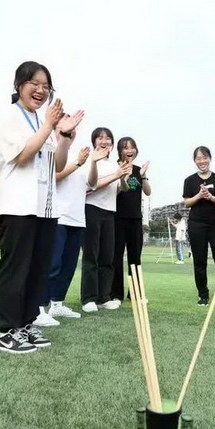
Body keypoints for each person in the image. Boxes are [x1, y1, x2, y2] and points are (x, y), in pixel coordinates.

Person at [0, 61, 83, 353]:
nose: (41, 91)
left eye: (46, 86)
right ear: (19, 85)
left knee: (37, 270)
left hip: (45, 208)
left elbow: (57, 165)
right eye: (35, 84)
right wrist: (48, 126)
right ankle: (7, 331)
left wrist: (64, 139)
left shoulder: (39, 122)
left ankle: (26, 323)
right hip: (17, 207)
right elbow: (21, 157)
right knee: (16, 270)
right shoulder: (9, 116)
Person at [34, 144, 110, 327]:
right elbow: (53, 177)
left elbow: (92, 184)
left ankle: (57, 304)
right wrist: (78, 162)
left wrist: (92, 162)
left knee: (68, 266)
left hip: (77, 219)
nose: (72, 133)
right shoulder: (54, 151)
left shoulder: (82, 154)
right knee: (52, 264)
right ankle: (38, 309)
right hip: (57, 216)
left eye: (73, 131)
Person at [81, 127, 132, 312]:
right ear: (94, 141)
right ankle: (88, 298)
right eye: (100, 138)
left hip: (110, 212)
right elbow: (92, 185)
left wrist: (123, 177)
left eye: (108, 138)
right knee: (91, 256)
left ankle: (104, 297)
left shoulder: (114, 165)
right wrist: (115, 175)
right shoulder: (89, 160)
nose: (104, 141)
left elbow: (120, 189)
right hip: (91, 209)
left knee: (107, 257)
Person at [182, 146, 215, 306]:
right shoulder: (189, 180)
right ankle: (203, 294)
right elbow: (187, 202)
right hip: (197, 224)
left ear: (210, 158)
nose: (202, 161)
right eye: (198, 158)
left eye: (205, 158)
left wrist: (210, 197)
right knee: (200, 260)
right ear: (194, 161)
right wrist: (199, 195)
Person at [112, 137, 151, 301]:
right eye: (126, 148)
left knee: (135, 257)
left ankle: (135, 293)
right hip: (117, 218)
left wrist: (143, 176)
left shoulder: (138, 170)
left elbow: (148, 192)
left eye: (132, 147)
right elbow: (115, 191)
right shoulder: (114, 168)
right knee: (116, 256)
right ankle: (115, 294)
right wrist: (123, 177)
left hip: (135, 218)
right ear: (120, 150)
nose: (130, 151)